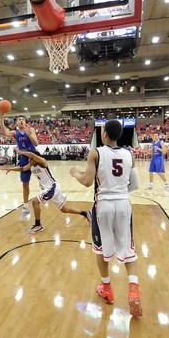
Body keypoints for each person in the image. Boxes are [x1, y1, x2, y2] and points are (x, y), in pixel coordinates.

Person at [69, 120, 142, 317]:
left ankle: (107, 289)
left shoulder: (96, 152)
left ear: (104, 134)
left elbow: (86, 182)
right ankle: (133, 289)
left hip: (103, 206)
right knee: (128, 249)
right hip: (124, 205)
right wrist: (118, 190)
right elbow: (135, 184)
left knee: (100, 249)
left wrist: (76, 173)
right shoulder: (129, 155)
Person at [2, 148, 91, 233]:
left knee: (35, 201)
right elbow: (22, 169)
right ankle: (85, 213)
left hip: (52, 186)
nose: (29, 161)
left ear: (35, 158)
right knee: (64, 209)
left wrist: (20, 151)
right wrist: (10, 169)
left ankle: (38, 225)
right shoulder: (31, 166)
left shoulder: (42, 162)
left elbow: (32, 154)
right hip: (51, 189)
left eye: (30, 159)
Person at [0, 113, 39, 221]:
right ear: (17, 122)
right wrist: (2, 118)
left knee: (44, 181)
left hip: (34, 158)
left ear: (25, 122)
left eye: (23, 119)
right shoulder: (15, 133)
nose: (21, 120)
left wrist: (28, 133)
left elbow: (36, 144)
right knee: (25, 184)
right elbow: (4, 133)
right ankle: (26, 207)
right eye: (19, 119)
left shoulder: (30, 130)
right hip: (24, 158)